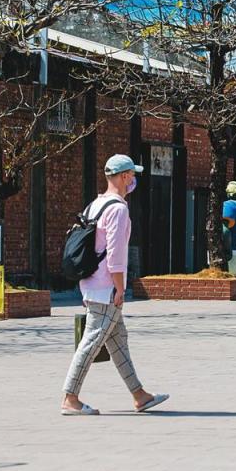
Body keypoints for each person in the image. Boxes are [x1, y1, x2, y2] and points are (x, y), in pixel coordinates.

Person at [61, 154, 169, 416]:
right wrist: (120, 289)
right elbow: (116, 255)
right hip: (105, 287)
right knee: (91, 342)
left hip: (91, 282)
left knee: (118, 341)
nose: (134, 180)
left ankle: (140, 395)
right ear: (123, 177)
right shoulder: (119, 209)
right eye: (132, 175)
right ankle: (70, 397)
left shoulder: (95, 205)